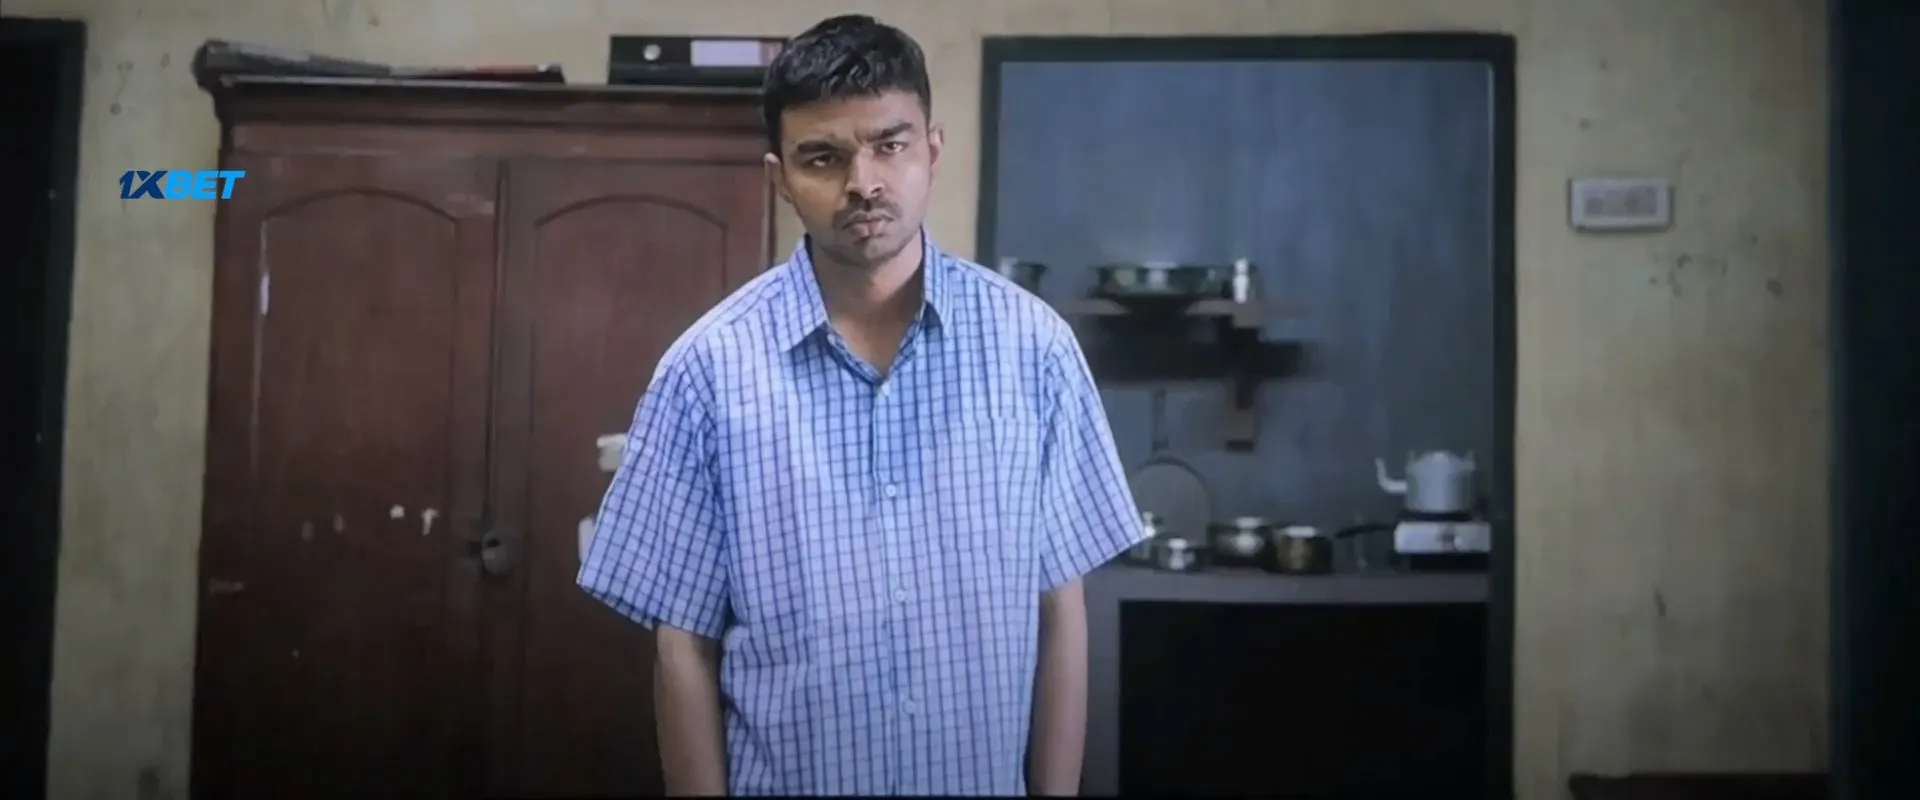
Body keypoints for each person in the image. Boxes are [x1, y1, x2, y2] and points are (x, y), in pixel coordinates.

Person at [578, 14, 1140, 796]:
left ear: (932, 152)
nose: (863, 182)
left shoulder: (1032, 348)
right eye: (824, 156)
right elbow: (683, 647)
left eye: (889, 144)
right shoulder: (707, 371)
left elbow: (1060, 611)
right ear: (780, 177)